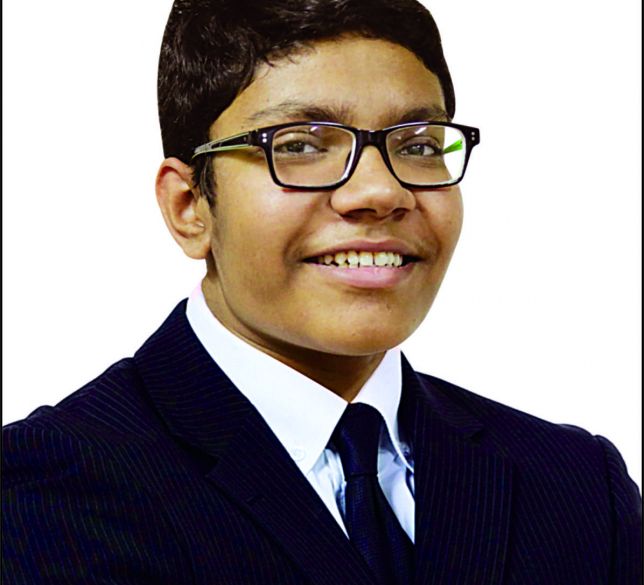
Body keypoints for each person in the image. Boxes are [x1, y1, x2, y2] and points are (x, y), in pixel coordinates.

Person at [2, 0, 641, 583]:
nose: (381, 191)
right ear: (190, 205)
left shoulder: (576, 485)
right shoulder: (48, 490)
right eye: (301, 145)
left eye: (419, 144)